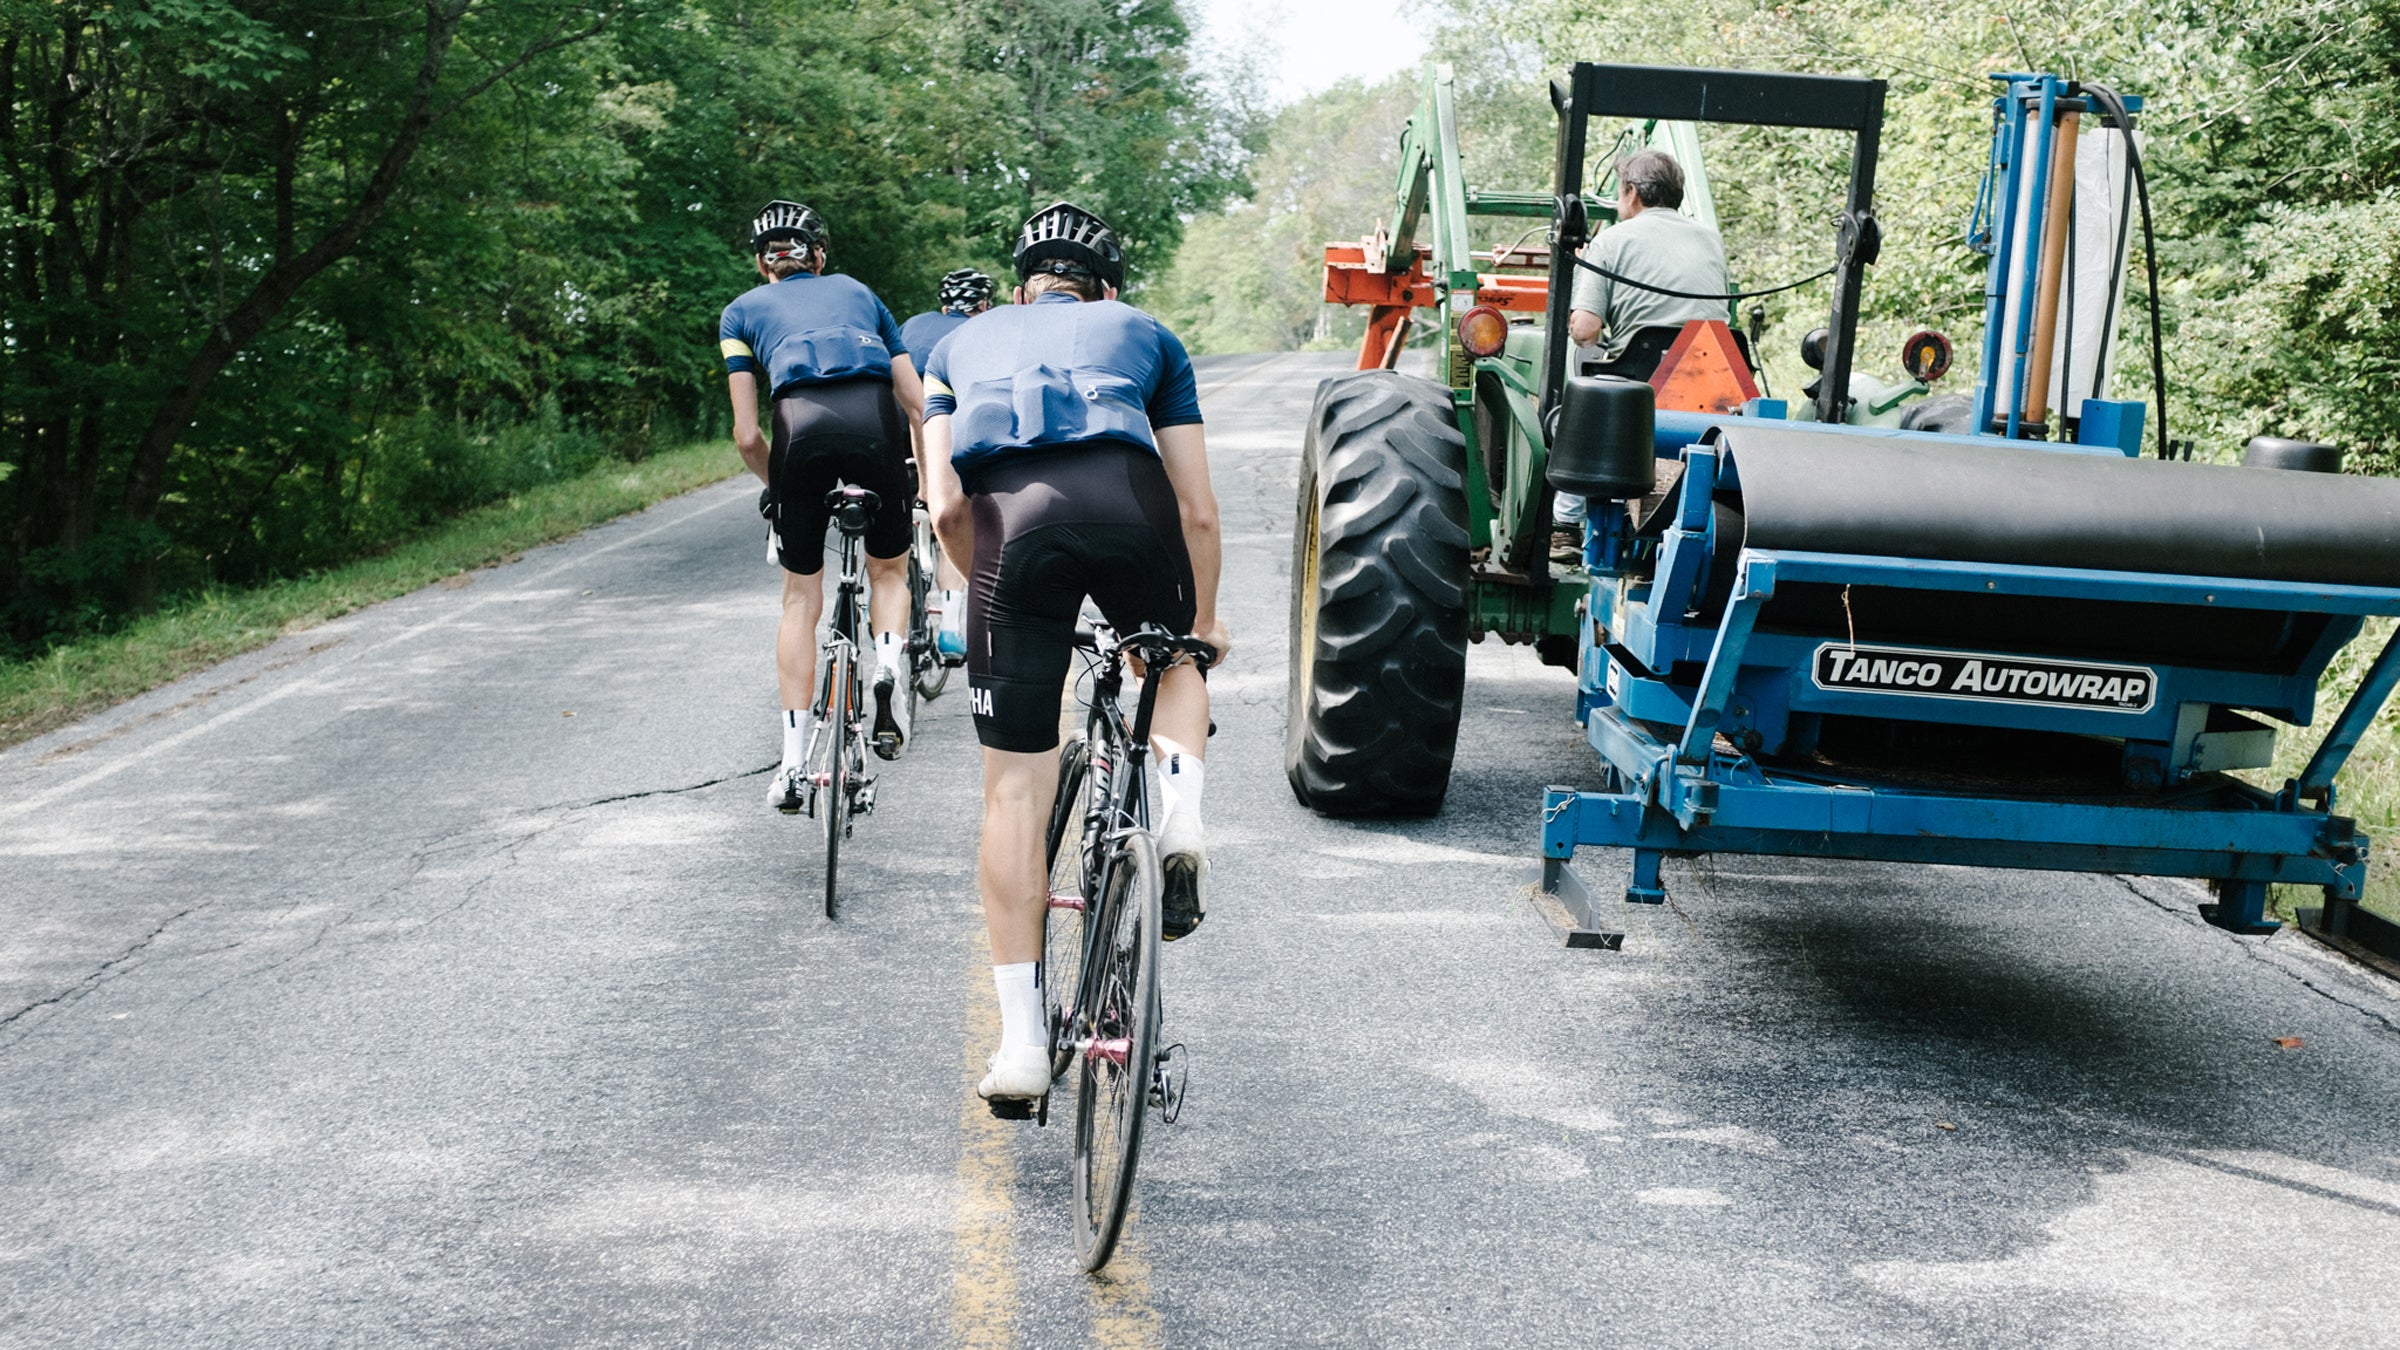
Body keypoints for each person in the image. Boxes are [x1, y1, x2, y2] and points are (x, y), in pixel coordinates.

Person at [918, 202, 1228, 1107]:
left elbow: (944, 506)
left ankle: (1021, 1047)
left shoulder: (953, 348)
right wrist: (1205, 625)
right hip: (1132, 508)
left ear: (1019, 291)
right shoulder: (1147, 334)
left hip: (1013, 534)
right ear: (1108, 291)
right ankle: (1179, 813)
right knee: (1172, 667)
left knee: (1014, 791)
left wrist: (990, 597)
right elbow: (1197, 509)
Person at [719, 200, 927, 810]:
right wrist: (923, 479)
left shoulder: (740, 313)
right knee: (888, 572)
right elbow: (917, 402)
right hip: (875, 424)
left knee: (799, 599)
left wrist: (781, 487)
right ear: (819, 256)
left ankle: (791, 765)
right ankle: (886, 667)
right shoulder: (861, 294)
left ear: (763, 265)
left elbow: (747, 437)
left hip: (799, 427)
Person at [1556, 149, 1732, 561]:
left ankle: (1564, 525)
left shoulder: (1612, 240)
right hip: (1715, 381)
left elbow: (1586, 331)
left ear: (1632, 192)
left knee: (1580, 407)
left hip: (1638, 393)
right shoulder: (1710, 239)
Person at [897, 269, 998, 662]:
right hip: (939, 426)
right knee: (954, 514)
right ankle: (951, 631)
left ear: (944, 306)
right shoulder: (983, 332)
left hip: (893, 427)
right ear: (984, 306)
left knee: (894, 529)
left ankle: (884, 613)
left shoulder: (912, 325)